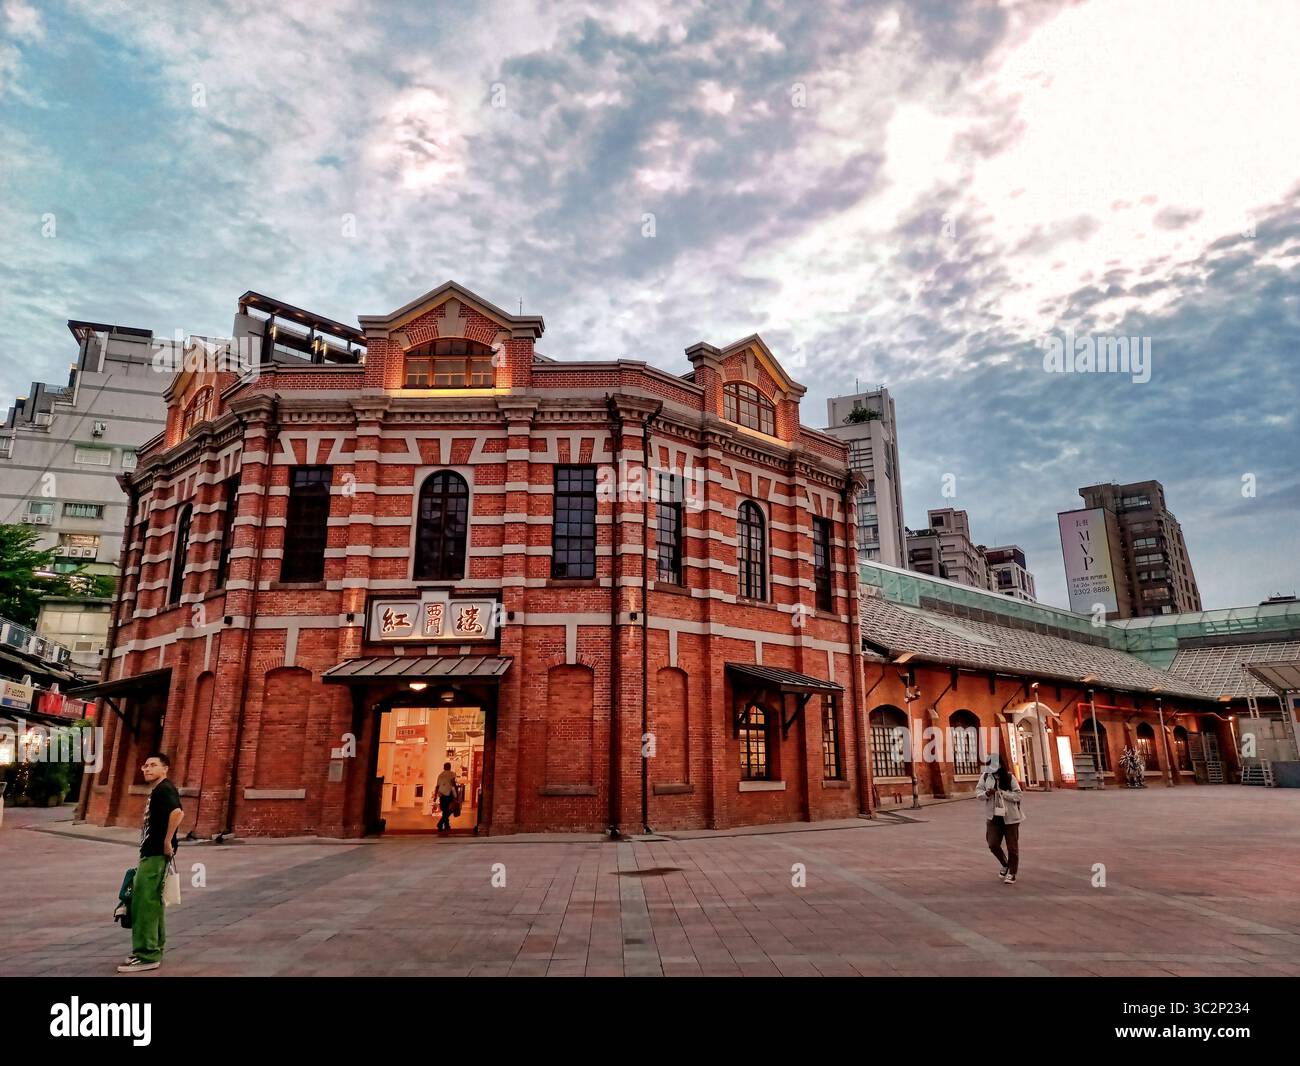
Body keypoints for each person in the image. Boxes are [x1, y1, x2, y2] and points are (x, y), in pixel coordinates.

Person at [118, 752, 183, 973]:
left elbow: (177, 813)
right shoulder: (160, 789)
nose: (147, 769)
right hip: (153, 853)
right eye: (145, 765)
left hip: (155, 855)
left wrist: (167, 841)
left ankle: (146, 955)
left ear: (165, 769)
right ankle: (155, 949)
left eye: (153, 765)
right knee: (153, 904)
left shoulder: (164, 789)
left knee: (143, 904)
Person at [976, 751, 1024, 885]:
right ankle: (1005, 863)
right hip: (993, 817)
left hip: (1010, 817)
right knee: (993, 844)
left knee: (1012, 847)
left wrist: (1002, 793)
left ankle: (1012, 873)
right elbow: (978, 793)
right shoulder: (985, 777)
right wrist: (987, 793)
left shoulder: (1009, 777)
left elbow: (1019, 795)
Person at [434, 762, 458, 832]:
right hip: (449, 793)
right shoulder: (452, 774)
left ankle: (446, 825)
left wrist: (435, 795)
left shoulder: (440, 775)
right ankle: (440, 824)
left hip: (441, 794)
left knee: (445, 810)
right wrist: (456, 794)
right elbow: (453, 784)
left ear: (444, 767)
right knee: (449, 810)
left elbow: (437, 786)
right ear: (450, 767)